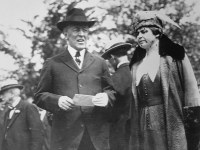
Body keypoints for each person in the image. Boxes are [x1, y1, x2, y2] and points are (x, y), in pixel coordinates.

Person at [34, 8, 116, 150]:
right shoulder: (52, 63)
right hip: (66, 139)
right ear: (66, 33)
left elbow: (111, 91)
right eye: (77, 30)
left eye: (85, 30)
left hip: (96, 138)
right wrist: (57, 100)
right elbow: (39, 96)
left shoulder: (99, 62)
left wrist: (107, 97)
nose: (82, 34)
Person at [129, 11, 200, 150]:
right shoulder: (136, 65)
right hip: (142, 123)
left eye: (144, 32)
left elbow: (192, 94)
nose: (139, 36)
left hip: (169, 120)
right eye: (137, 33)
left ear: (157, 33)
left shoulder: (173, 58)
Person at [102, 42, 133, 150]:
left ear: (112, 57)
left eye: (109, 61)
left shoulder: (117, 77)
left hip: (120, 130)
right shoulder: (136, 71)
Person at [0, 79, 44, 150]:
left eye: (3, 93)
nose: (1, 97)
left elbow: (37, 135)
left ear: (12, 93)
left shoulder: (28, 107)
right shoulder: (7, 111)